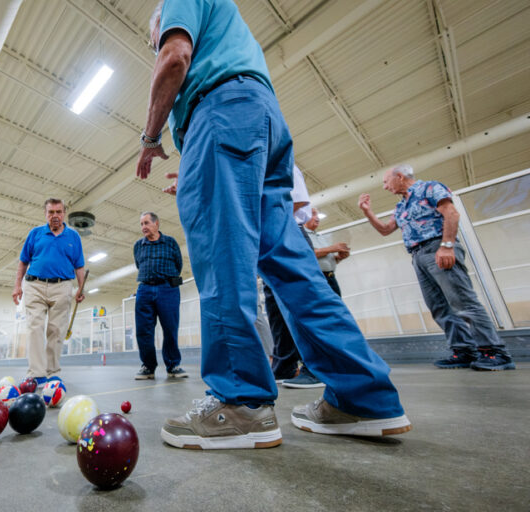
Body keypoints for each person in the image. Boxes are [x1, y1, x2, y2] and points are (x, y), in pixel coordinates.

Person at [136, 0, 411, 449]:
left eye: (154, 35)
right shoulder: (230, 28)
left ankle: (240, 401)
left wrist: (150, 139)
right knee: (292, 265)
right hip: (260, 120)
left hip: (221, 113)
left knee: (223, 258)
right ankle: (364, 396)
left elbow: (174, 58)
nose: (156, 42)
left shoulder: (177, 8)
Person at [358, 164, 515, 371]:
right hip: (417, 255)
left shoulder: (429, 188)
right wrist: (368, 212)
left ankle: (494, 352)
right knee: (439, 307)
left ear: (400, 176)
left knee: (463, 302)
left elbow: (451, 214)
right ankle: (464, 351)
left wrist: (447, 246)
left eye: (386, 182)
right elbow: (386, 230)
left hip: (438, 247)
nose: (385, 187)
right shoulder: (401, 206)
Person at [263, 165, 324, 389]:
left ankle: (318, 368)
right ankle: (285, 365)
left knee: (302, 302)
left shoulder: (280, 158)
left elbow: (296, 201)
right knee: (276, 310)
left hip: (286, 231)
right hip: (268, 240)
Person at [13, 198, 87, 384]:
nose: (55, 216)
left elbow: (79, 265)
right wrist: (17, 286)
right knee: (35, 327)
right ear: (45, 214)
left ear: (64, 214)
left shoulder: (73, 237)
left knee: (56, 330)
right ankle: (36, 374)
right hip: (35, 285)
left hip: (62, 287)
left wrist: (80, 288)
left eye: (58, 212)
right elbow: (23, 261)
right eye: (51, 212)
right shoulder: (35, 233)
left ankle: (52, 371)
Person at [133, 211, 188, 380]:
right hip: (144, 289)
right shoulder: (138, 246)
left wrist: (164, 279)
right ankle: (148, 367)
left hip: (168, 289)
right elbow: (138, 264)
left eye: (147, 223)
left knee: (170, 328)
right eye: (142, 224)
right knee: (144, 331)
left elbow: (178, 264)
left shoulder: (170, 243)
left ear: (157, 224)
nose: (144, 227)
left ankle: (173, 365)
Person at [303, 207, 350, 297]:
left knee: (337, 308)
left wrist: (339, 258)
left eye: (317, 214)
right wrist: (332, 248)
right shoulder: (302, 235)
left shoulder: (320, 236)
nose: (317, 217)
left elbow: (325, 259)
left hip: (331, 278)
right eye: (313, 214)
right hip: (317, 279)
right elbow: (308, 255)